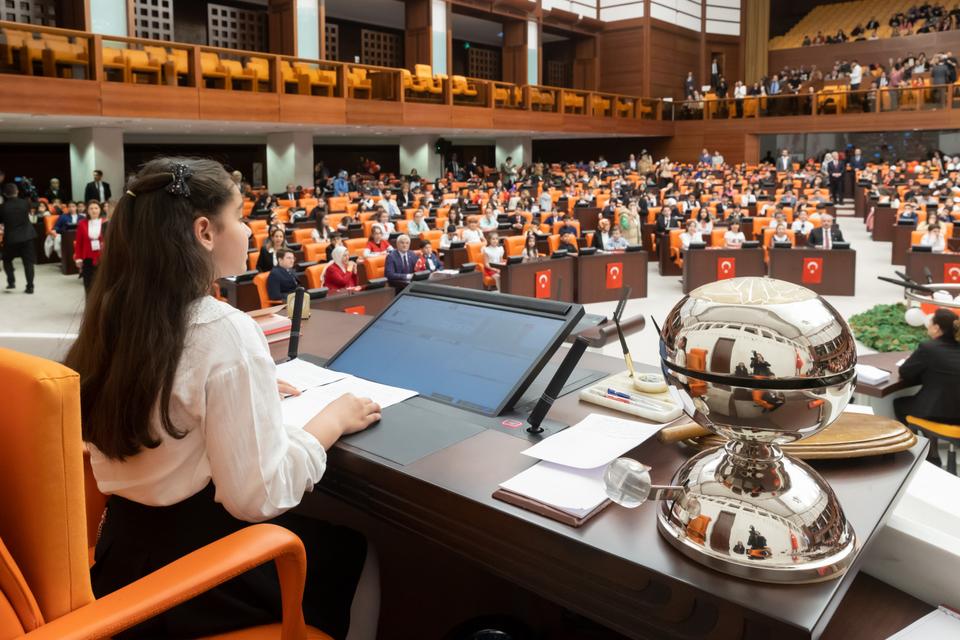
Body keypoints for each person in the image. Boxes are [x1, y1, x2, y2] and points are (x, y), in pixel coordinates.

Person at [65, 157, 379, 639]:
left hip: (122, 563)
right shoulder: (222, 329)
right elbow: (257, 496)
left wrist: (239, 389)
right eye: (241, 218)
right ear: (205, 231)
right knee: (356, 550)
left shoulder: (112, 314)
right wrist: (331, 421)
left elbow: (164, 393)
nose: (251, 232)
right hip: (199, 580)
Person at [894, 309, 960, 466]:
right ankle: (932, 451)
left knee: (900, 405)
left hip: (941, 414)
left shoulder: (928, 348)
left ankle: (926, 454)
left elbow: (906, 372)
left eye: (930, 322)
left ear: (936, 327)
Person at [0, 182, 36, 293]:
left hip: (11, 239)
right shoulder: (25, 203)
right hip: (27, 237)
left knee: (6, 260)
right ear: (17, 192)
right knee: (28, 263)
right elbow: (34, 205)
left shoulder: (2, 207)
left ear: (5, 194)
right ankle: (30, 287)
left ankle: (11, 282)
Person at [74, 200, 106, 294]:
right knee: (88, 284)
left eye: (96, 208)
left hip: (103, 258)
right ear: (87, 211)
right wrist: (78, 258)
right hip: (87, 257)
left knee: (102, 285)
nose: (94, 210)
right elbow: (79, 242)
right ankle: (90, 307)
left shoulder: (106, 222)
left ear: (100, 210)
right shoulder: (82, 223)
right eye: (91, 208)